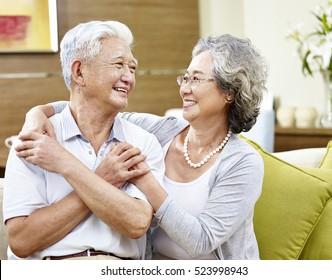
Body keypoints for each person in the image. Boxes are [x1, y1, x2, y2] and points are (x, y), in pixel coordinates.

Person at [17, 34, 268, 259]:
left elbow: (200, 241)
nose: (184, 89)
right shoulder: (161, 130)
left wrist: (145, 180)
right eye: (185, 78)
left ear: (230, 92)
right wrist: (38, 112)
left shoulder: (243, 162)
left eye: (197, 79)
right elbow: (90, 106)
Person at [2, 20, 166, 260]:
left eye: (132, 68)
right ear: (79, 72)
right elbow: (21, 240)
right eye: (118, 65)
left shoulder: (143, 142)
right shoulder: (36, 139)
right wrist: (103, 179)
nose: (128, 78)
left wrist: (65, 163)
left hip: (119, 270)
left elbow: (137, 223)